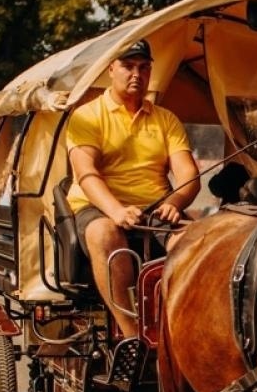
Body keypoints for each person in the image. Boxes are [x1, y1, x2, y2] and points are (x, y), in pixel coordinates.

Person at [63, 38, 200, 339]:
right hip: (98, 207)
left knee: (197, 239)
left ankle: (183, 333)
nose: (136, 74)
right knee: (105, 233)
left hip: (155, 208)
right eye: (128, 66)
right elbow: (86, 173)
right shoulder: (86, 116)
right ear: (111, 68)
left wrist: (176, 201)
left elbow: (189, 174)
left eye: (143, 67)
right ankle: (131, 337)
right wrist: (116, 211)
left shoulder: (166, 120)